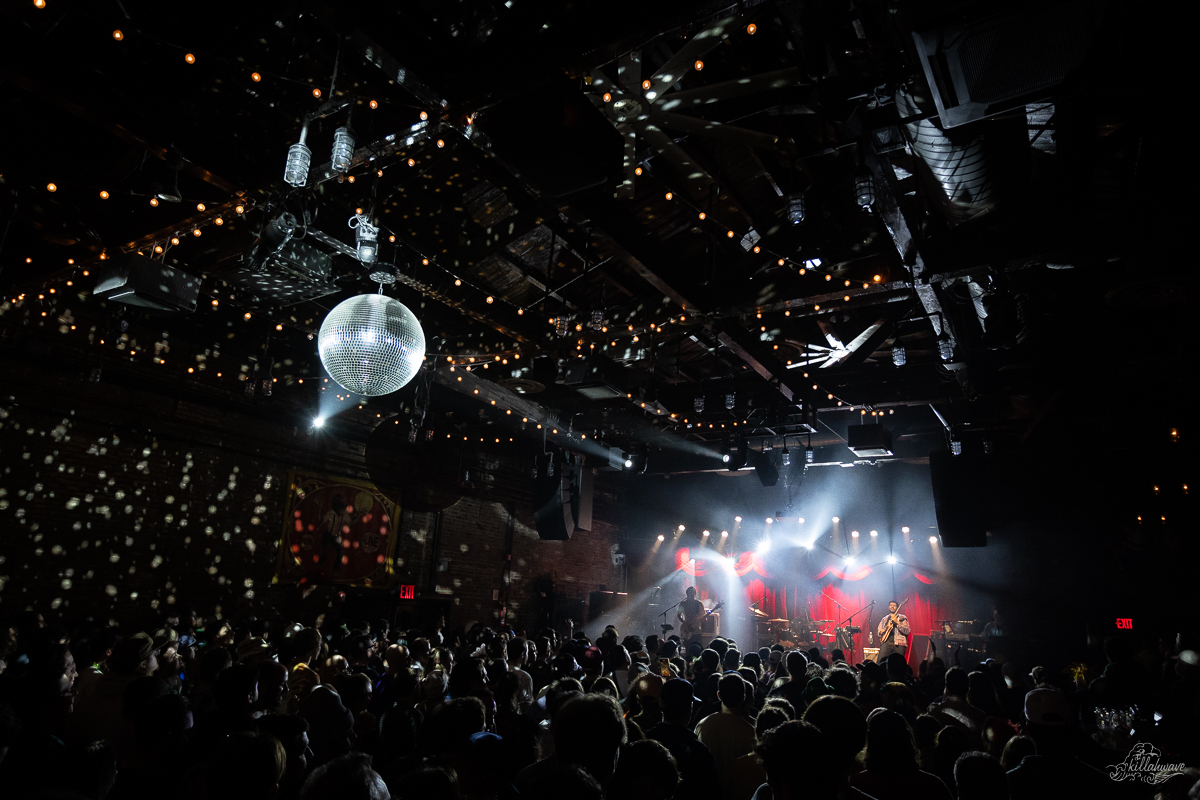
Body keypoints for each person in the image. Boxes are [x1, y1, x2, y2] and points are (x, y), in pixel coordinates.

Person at [695, 673, 756, 794]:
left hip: (708, 792)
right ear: (743, 697)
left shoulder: (703, 725)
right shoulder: (751, 731)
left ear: (719, 695)